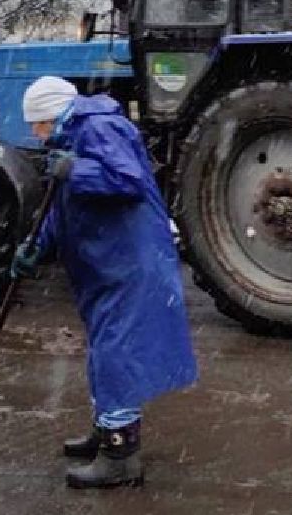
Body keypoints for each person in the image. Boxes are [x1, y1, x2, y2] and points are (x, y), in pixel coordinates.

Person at [12, 75, 197, 489]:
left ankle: (121, 454)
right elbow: (60, 209)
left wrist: (76, 169)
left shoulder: (99, 126)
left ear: (53, 113)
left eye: (37, 123)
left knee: (116, 351)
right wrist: (34, 247)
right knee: (102, 350)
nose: (35, 133)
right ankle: (107, 427)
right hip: (104, 267)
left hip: (130, 263)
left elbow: (128, 180)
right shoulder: (67, 139)